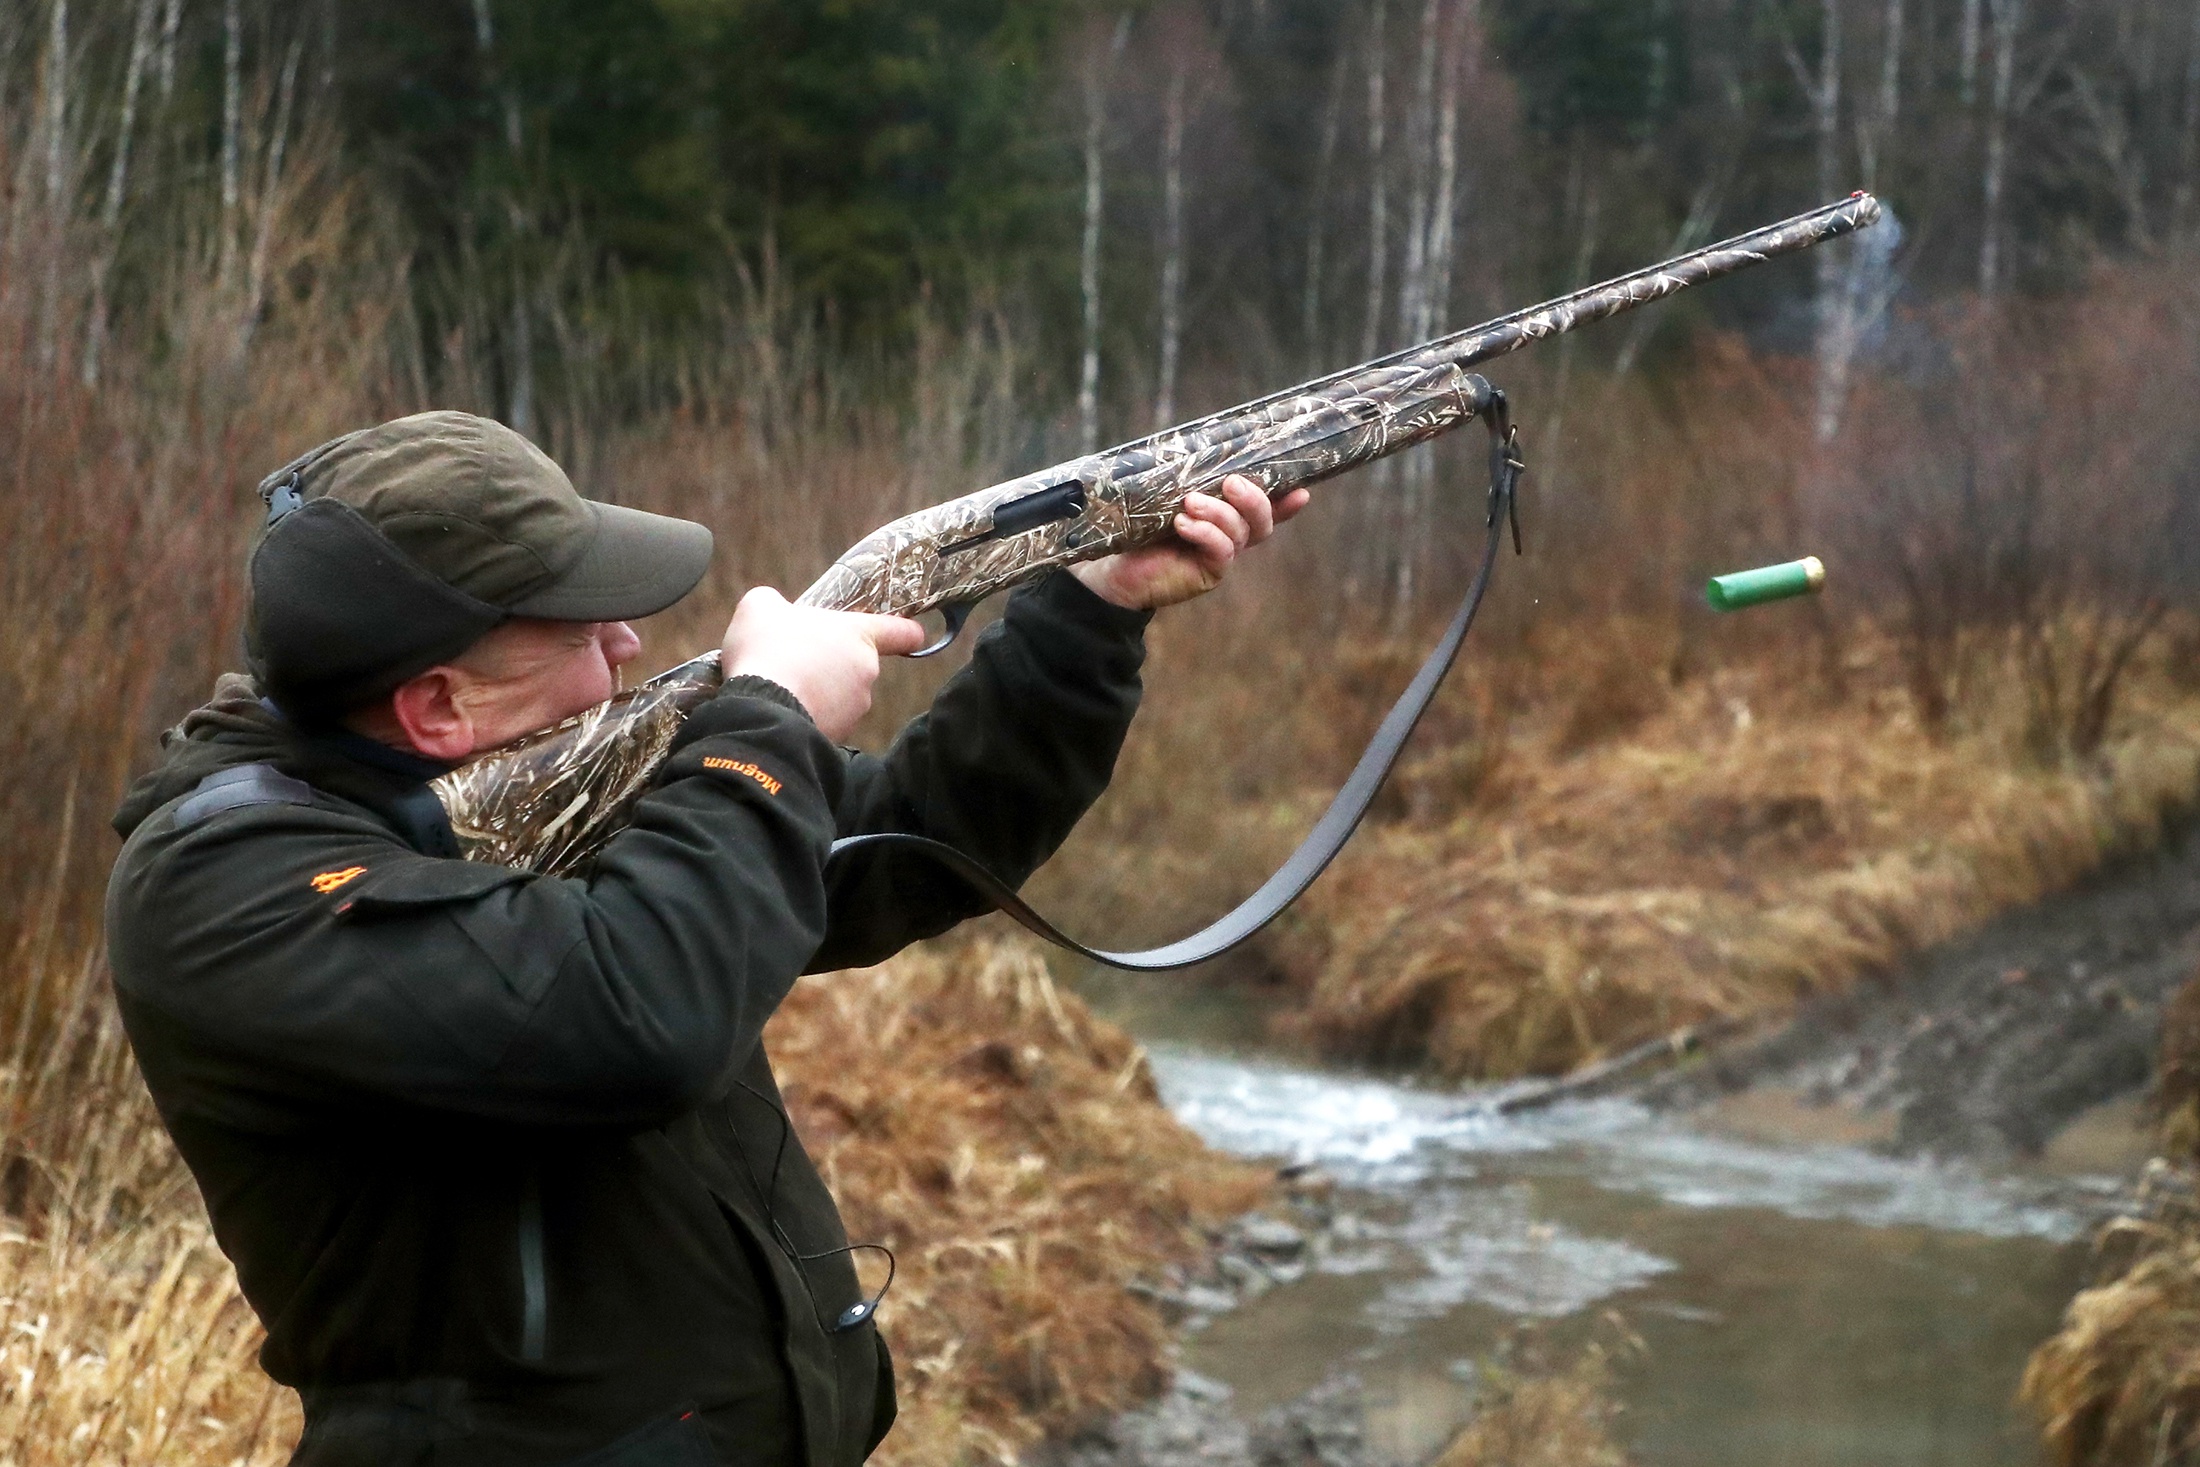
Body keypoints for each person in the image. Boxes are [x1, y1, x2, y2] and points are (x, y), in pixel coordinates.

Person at [104, 410, 1305, 1467]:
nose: (626, 648)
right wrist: (765, 722)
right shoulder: (225, 893)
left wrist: (1088, 613)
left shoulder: (528, 800)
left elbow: (906, 849)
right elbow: (637, 1015)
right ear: (437, 705)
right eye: (576, 632)